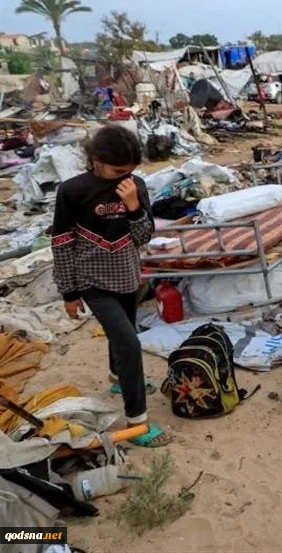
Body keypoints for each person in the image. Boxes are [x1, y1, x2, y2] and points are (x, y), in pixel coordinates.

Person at [51, 125, 171, 447]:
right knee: (129, 343)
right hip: (91, 280)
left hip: (127, 276)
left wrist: (133, 205)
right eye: (118, 171)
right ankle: (138, 424)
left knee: (124, 331)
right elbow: (62, 243)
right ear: (96, 160)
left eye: (129, 171)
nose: (124, 177)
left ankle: (118, 377)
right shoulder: (72, 191)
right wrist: (69, 292)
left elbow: (143, 236)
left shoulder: (136, 186)